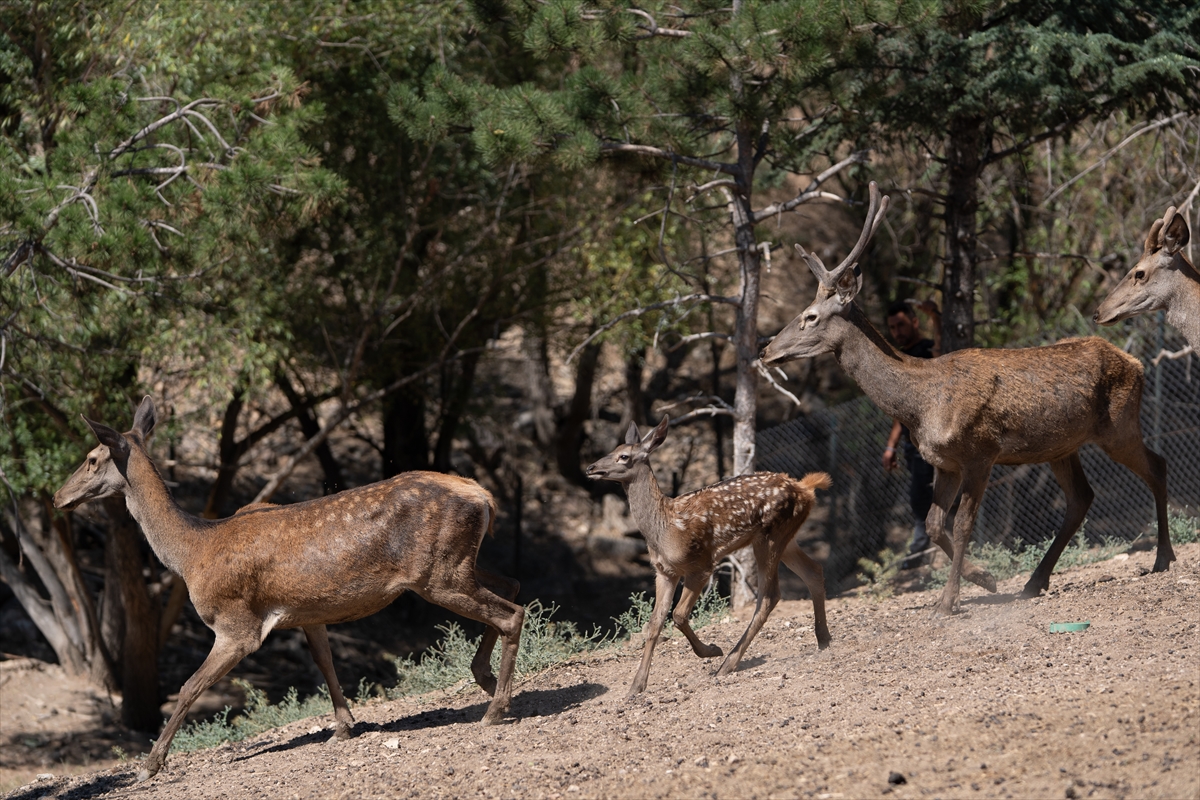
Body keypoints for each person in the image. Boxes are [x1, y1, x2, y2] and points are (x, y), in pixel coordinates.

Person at [881, 299, 940, 569]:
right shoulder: (901, 357)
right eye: (893, 327)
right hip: (910, 443)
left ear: (915, 322)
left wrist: (935, 317)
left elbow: (943, 350)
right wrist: (891, 447)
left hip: (932, 440)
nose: (897, 331)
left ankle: (921, 553)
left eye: (901, 324)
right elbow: (901, 413)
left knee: (929, 496)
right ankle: (923, 551)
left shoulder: (927, 351)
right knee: (918, 498)